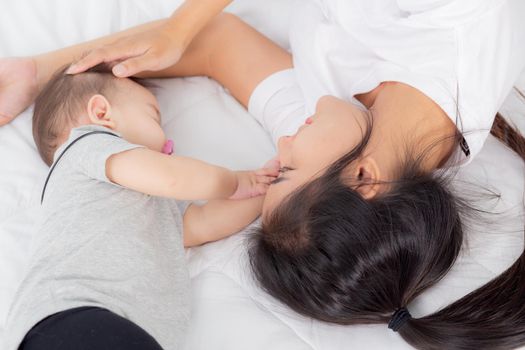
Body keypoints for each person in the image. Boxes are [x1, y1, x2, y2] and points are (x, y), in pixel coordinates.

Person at [2, 0, 525, 348]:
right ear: (365, 179)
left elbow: (216, 43)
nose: (285, 143)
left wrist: (39, 72)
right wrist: (179, 26)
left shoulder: (333, 125)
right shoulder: (459, 24)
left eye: (280, 171)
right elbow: (194, 37)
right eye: (287, 169)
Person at [5, 64, 279, 350]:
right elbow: (173, 178)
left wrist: (264, 189)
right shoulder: (85, 145)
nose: (167, 140)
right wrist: (234, 181)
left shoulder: (151, 198)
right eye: (154, 116)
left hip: (116, 327)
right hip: (75, 311)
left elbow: (203, 223)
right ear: (102, 114)